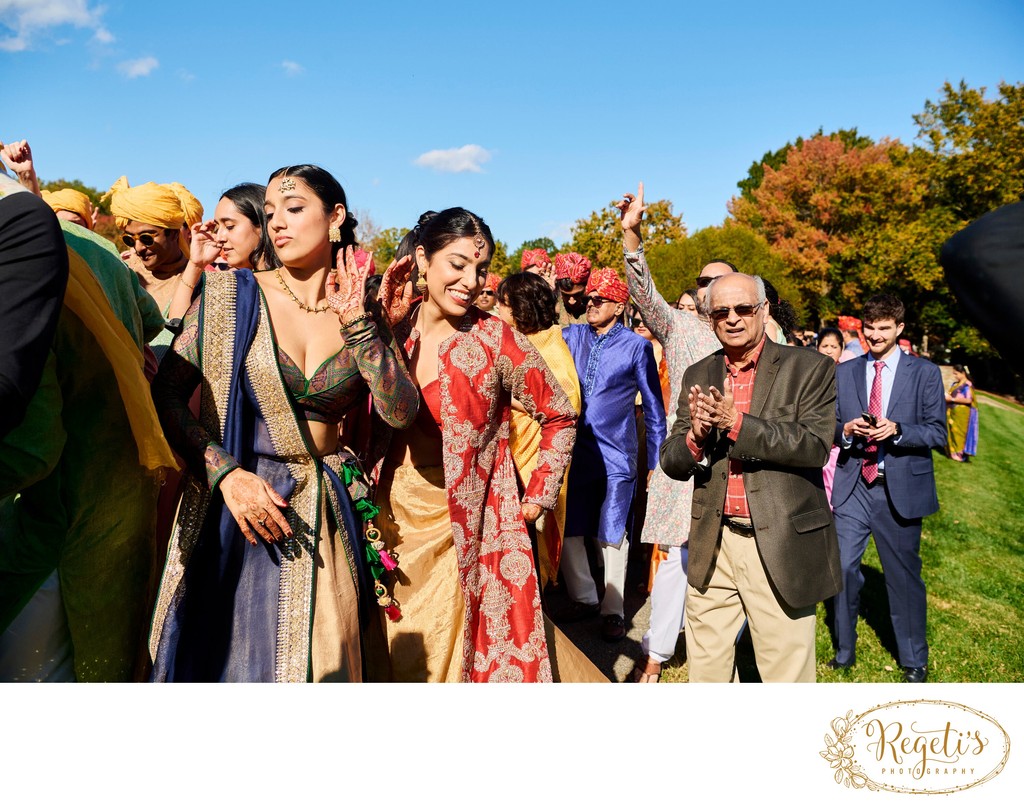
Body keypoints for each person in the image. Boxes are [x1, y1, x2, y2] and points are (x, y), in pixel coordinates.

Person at [148, 164, 419, 682]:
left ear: (336, 217)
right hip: (240, 506)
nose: (277, 224)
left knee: (324, 666)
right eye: (270, 213)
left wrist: (360, 326)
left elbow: (399, 412)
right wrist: (224, 473)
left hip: (323, 511)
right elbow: (168, 392)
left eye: (294, 210)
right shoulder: (232, 297)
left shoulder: (361, 306)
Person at [369, 208, 577, 683]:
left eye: (480, 269)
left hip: (473, 522)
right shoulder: (391, 329)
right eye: (457, 264)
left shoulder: (494, 338)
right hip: (389, 520)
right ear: (423, 259)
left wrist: (539, 494)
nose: (471, 281)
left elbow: (560, 414)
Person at [1, 185, 175, 681]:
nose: (139, 247)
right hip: (122, 503)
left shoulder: (19, 254)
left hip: (53, 528)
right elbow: (154, 328)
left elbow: (32, 447)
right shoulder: (92, 248)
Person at [660, 272, 840, 683]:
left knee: (785, 678)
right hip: (714, 543)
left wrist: (736, 423)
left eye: (744, 308)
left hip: (778, 544)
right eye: (721, 311)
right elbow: (671, 461)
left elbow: (814, 445)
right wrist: (696, 437)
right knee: (705, 676)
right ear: (710, 319)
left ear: (764, 310)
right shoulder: (698, 374)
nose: (733, 318)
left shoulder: (809, 368)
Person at [614, 184, 723, 681]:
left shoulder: (766, 340)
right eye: (705, 282)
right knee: (678, 559)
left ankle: (718, 651)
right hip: (686, 463)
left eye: (724, 283)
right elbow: (643, 292)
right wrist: (632, 235)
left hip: (738, 465)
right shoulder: (681, 328)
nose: (712, 290)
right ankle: (656, 657)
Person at [830, 294, 945, 683]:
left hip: (899, 489)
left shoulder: (924, 374)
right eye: (869, 328)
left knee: (902, 577)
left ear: (899, 329)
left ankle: (914, 658)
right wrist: (844, 431)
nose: (875, 335)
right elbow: (826, 424)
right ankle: (844, 651)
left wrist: (898, 431)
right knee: (843, 568)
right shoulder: (844, 373)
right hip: (853, 487)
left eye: (884, 328)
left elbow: (936, 432)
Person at [560, 266, 667, 643]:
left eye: (598, 299)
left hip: (617, 457)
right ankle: (584, 597)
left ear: (619, 305)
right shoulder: (571, 336)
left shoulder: (636, 346)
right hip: (574, 452)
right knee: (570, 528)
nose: (589, 303)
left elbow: (654, 410)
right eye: (588, 298)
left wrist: (655, 463)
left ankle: (613, 610)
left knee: (612, 534)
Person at [496, 271, 581, 588]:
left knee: (526, 563)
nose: (498, 313)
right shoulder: (524, 344)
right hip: (513, 465)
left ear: (520, 309)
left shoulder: (550, 351)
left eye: (502, 305)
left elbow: (564, 409)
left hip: (532, 475)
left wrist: (510, 400)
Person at [104, 175, 198, 363]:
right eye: (130, 239)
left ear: (173, 233)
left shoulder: (197, 280)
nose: (138, 248)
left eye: (146, 238)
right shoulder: (122, 270)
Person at [166, 182, 279, 322]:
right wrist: (196, 264)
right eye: (217, 228)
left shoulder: (294, 284)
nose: (219, 238)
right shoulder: (228, 285)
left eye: (230, 227)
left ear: (262, 225)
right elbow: (178, 325)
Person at [817, 327, 845, 503]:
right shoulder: (812, 373)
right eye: (824, 345)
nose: (828, 350)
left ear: (842, 348)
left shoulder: (847, 374)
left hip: (837, 446)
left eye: (833, 346)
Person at [945, 364, 978, 462]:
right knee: (951, 431)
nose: (955, 376)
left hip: (962, 413)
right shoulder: (956, 384)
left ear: (963, 373)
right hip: (952, 412)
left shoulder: (967, 385)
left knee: (959, 433)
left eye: (956, 374)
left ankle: (959, 454)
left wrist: (952, 399)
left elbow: (969, 400)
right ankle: (952, 452)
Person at [554, 251, 592, 326]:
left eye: (577, 294)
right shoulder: (553, 307)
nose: (572, 301)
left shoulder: (598, 307)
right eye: (566, 295)